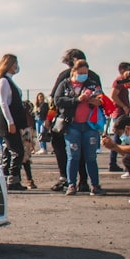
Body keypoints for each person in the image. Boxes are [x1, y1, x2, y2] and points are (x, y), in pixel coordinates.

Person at [49, 48, 101, 192]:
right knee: (84, 154)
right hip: (78, 122)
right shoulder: (93, 77)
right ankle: (83, 181)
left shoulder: (64, 77)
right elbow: (58, 98)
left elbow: (53, 100)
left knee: (68, 152)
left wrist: (49, 118)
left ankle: (65, 178)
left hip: (79, 122)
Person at [0, 53, 29, 190]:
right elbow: (3, 103)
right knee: (17, 151)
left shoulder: (9, 81)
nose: (16, 67)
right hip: (8, 122)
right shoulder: (3, 81)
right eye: (14, 64)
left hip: (15, 120)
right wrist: (10, 122)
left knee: (9, 150)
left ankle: (6, 177)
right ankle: (13, 179)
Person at [107, 62, 130, 172]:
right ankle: (112, 163)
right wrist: (123, 106)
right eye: (128, 70)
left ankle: (114, 162)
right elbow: (113, 96)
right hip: (119, 113)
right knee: (118, 138)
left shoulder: (125, 83)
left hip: (123, 112)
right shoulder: (119, 81)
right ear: (122, 70)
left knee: (123, 138)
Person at [21, 100, 38, 189]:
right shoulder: (28, 116)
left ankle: (28, 180)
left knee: (24, 159)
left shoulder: (28, 116)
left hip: (25, 135)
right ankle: (29, 180)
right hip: (24, 135)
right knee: (25, 159)